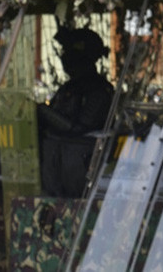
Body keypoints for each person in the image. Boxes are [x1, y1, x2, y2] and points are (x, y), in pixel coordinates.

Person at [38, 26, 114, 197]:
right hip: (58, 163)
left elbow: (80, 128)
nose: (64, 57)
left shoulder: (99, 90)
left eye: (69, 52)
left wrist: (45, 112)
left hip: (81, 166)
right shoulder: (68, 88)